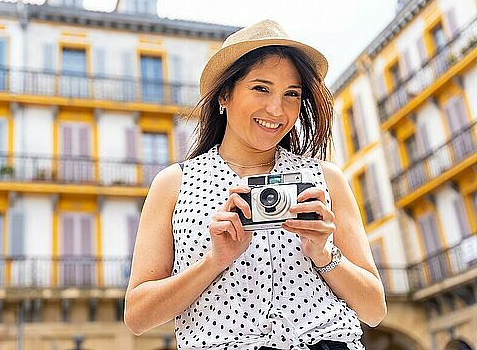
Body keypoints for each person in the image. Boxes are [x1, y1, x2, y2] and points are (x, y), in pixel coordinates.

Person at [124, 20, 386, 350]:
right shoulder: (174, 183)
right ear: (224, 95)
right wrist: (214, 261)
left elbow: (375, 310)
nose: (276, 109)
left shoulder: (326, 179)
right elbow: (137, 317)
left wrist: (323, 253)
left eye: (292, 94)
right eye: (261, 88)